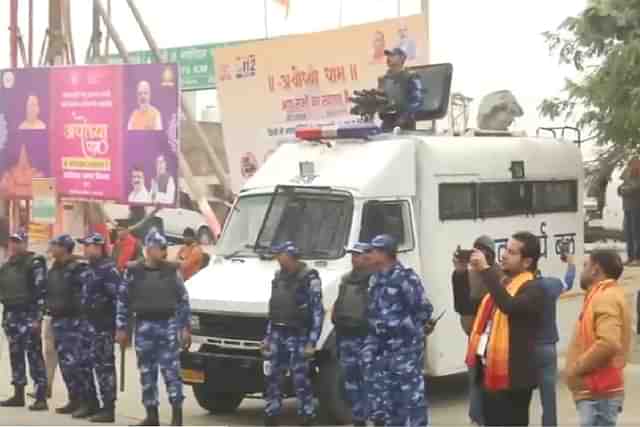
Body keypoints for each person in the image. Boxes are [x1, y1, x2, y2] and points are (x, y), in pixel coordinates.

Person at [465, 231, 545, 427]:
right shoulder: (505, 285)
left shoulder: (533, 288)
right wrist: (463, 270)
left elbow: (508, 306)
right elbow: (468, 303)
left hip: (513, 379)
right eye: (504, 249)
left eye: (511, 252)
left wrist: (486, 270)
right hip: (488, 372)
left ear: (526, 262)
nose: (503, 255)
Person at [116, 231, 191, 426]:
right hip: (143, 326)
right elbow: (123, 301)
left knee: (171, 372)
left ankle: (177, 417)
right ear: (149, 249)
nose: (164, 253)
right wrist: (121, 327)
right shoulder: (134, 271)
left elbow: (183, 300)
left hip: (167, 326)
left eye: (165, 248)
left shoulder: (171, 271)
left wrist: (184, 327)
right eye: (160, 248)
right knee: (146, 372)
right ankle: (152, 415)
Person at [364, 234, 433, 427]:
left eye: (375, 251)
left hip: (406, 349)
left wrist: (405, 327)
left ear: (386, 253)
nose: (370, 254)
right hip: (383, 349)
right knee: (391, 402)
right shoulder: (375, 279)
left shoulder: (406, 278)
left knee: (412, 399)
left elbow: (424, 309)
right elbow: (373, 311)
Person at [566, 250, 631, 427]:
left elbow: (608, 343)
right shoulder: (601, 295)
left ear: (595, 270)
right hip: (597, 391)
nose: (583, 270)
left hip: (598, 392)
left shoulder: (605, 297)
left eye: (585, 265)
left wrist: (576, 369)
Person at [262, 241, 324, 426]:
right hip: (278, 333)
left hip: (298, 334)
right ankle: (272, 414)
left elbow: (317, 312)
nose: (277, 259)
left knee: (300, 379)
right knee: (273, 376)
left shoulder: (309, 278)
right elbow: (274, 308)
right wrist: (267, 336)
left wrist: (312, 342)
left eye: (280, 255)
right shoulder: (278, 277)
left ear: (289, 256)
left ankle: (307, 415)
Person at [46, 234, 97, 418]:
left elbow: (87, 294)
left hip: (74, 322)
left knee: (78, 363)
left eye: (55, 245)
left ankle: (87, 402)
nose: (51, 247)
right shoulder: (54, 269)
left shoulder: (78, 269)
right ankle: (74, 399)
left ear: (65, 248)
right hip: (58, 320)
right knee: (66, 364)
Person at [452, 235, 499, 426]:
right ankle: (477, 418)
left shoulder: (496, 273)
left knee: (491, 381)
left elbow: (495, 301)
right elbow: (461, 305)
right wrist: (460, 272)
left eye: (482, 251)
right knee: (475, 377)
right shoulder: (468, 274)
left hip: (495, 337)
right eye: (475, 250)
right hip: (476, 336)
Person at [0, 230, 48, 410]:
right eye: (12, 241)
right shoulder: (6, 266)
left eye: (17, 242)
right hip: (11, 315)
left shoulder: (34, 263)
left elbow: (40, 291)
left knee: (34, 355)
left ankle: (41, 397)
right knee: (15, 355)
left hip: (28, 315)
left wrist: (37, 317)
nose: (13, 245)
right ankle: (18, 394)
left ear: (25, 244)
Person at [78, 232, 122, 423]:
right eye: (84, 245)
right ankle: (90, 402)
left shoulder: (108, 270)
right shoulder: (88, 269)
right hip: (86, 325)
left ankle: (108, 408)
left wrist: (119, 328)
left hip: (102, 327)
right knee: (84, 365)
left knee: (104, 368)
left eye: (88, 245)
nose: (85, 249)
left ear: (98, 247)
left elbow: (119, 300)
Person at [331, 242, 374, 427]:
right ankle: (359, 420)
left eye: (357, 254)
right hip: (347, 337)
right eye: (352, 254)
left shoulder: (376, 280)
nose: (353, 258)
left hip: (367, 339)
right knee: (351, 383)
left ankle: (377, 418)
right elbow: (339, 307)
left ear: (367, 257)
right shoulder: (346, 280)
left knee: (370, 382)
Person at [535, 254, 577, 427]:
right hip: (547, 346)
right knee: (548, 395)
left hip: (525, 347)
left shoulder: (520, 287)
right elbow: (568, 282)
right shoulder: (551, 284)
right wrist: (571, 264)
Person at [377, 47, 424, 132]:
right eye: (388, 56)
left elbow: (417, 100)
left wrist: (404, 117)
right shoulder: (384, 79)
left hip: (404, 122)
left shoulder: (411, 76)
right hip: (387, 121)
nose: (388, 58)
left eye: (392, 55)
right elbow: (381, 101)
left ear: (402, 58)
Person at [617, 160, 640, 265]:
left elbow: (634, 188)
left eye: (631, 165)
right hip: (627, 207)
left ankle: (637, 258)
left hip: (637, 208)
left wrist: (624, 189)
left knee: (636, 233)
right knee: (628, 233)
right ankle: (630, 257)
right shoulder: (628, 176)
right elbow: (620, 189)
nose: (629, 168)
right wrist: (623, 189)